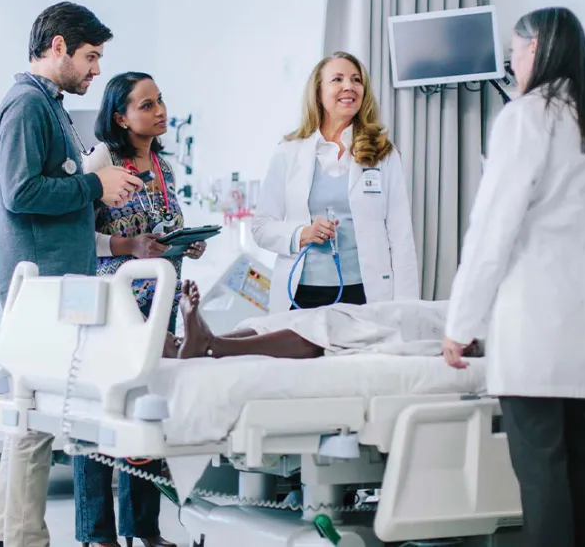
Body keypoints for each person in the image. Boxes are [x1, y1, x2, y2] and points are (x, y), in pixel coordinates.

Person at [440, 7, 585, 547]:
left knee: (543, 469)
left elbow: (491, 229)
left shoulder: (526, 117)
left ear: (537, 48)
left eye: (514, 51)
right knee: (580, 462)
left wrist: (462, 322)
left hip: (538, 327)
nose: (512, 62)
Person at [0, 2, 144, 547]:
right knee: (33, 421)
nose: (96, 70)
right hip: (40, 288)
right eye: (90, 57)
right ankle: (25, 538)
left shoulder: (47, 106)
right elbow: (21, 192)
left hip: (56, 284)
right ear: (58, 46)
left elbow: (56, 187)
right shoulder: (27, 106)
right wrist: (94, 186)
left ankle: (13, 534)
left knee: (30, 420)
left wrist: (95, 189)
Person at [74, 72, 200, 547]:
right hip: (114, 304)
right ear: (121, 117)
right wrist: (131, 244)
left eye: (160, 100)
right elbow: (80, 237)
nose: (159, 110)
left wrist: (182, 243)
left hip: (158, 302)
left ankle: (142, 528)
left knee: (146, 413)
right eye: (146, 105)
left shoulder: (165, 165)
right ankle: (97, 532)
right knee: (101, 411)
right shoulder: (102, 159)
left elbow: (162, 225)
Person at [252, 51, 419, 314]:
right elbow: (261, 227)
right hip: (301, 294)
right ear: (318, 92)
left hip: (365, 292)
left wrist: (408, 309)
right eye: (337, 79)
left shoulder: (382, 152)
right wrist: (301, 233)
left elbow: (401, 237)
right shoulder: (289, 151)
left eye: (356, 80)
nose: (349, 86)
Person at [167, 281, 482, 360]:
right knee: (296, 317)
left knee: (332, 322)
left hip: (440, 321)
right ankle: (197, 342)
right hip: (437, 312)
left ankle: (212, 344)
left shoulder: (512, 324)